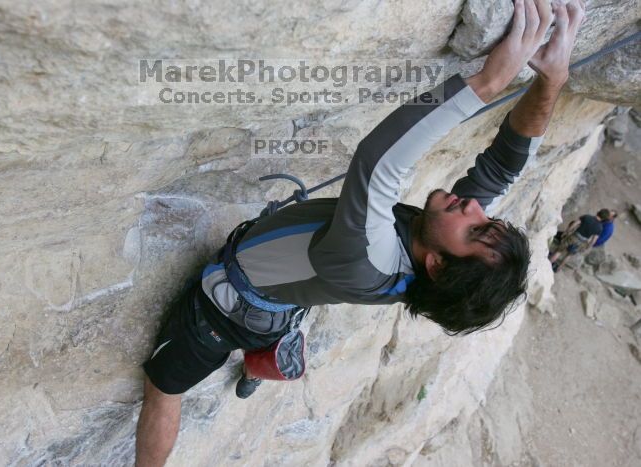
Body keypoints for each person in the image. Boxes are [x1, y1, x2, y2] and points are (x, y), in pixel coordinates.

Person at [135, 1, 585, 465]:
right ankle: (261, 363)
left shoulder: (367, 260)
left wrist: (487, 82)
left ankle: (251, 353)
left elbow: (379, 158)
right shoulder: (433, 255)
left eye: (475, 229)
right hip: (288, 298)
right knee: (280, 313)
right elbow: (502, 167)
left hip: (227, 311)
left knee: (165, 387)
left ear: (437, 264)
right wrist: (552, 81)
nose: (473, 207)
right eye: (485, 221)